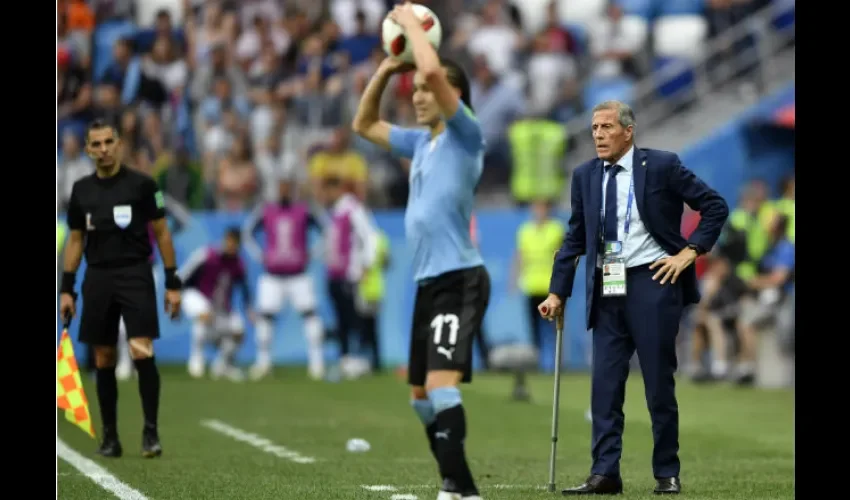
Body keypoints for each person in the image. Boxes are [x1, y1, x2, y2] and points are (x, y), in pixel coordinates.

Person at [538, 101, 728, 495]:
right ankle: (605, 472)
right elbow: (575, 236)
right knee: (604, 384)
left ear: (629, 130)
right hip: (607, 285)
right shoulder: (585, 176)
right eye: (593, 128)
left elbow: (714, 206)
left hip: (653, 280)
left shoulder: (661, 165)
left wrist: (690, 251)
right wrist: (558, 291)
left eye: (606, 127)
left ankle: (666, 472)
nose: (598, 135)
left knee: (658, 383)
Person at [352, 4, 490, 498]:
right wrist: (389, 68)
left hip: (460, 279)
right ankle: (456, 484)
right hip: (428, 283)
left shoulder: (465, 135)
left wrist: (411, 26)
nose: (418, 95)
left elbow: (432, 67)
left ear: (453, 96)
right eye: (415, 92)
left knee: (438, 385)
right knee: (418, 396)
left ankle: (463, 489)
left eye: (427, 91)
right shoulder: (421, 143)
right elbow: (363, 124)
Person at [59, 119, 183, 459]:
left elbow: (162, 233)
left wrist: (173, 282)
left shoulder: (144, 185)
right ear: (87, 149)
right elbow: (75, 240)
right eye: (95, 144)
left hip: (135, 274)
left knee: (141, 350)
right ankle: (110, 437)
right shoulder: (81, 190)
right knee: (103, 357)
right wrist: (67, 289)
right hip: (97, 277)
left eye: (108, 142)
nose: (103, 149)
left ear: (119, 144)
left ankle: (150, 432)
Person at [242, 177, 327, 381]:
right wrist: (260, 255)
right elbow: (248, 233)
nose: (284, 191)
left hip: (299, 274)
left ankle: (317, 363)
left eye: (288, 187)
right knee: (266, 318)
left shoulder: (304, 211)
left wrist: (312, 253)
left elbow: (326, 230)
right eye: (281, 187)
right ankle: (263, 363)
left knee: (310, 316)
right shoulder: (266, 211)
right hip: (273, 275)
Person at [321, 176, 378, 379]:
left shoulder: (353, 209)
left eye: (326, 190)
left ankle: (359, 359)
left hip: (350, 273)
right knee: (341, 319)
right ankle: (345, 359)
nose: (323, 196)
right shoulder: (334, 213)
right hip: (334, 273)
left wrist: (366, 265)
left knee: (354, 317)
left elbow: (370, 236)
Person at [179, 228, 251, 381]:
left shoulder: (238, 263)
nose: (232, 246)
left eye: (236, 243)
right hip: (195, 295)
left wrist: (248, 308)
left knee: (239, 331)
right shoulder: (208, 255)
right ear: (225, 239)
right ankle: (196, 360)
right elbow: (185, 274)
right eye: (230, 241)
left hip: (221, 307)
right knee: (204, 313)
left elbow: (244, 287)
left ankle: (222, 365)